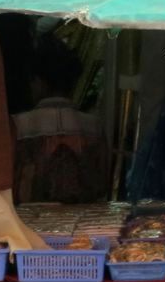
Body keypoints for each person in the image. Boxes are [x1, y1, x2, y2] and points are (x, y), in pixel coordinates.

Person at [12, 35, 109, 206]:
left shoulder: (17, 125)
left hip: (28, 218)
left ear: (38, 81)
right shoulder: (94, 126)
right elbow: (101, 182)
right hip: (84, 219)